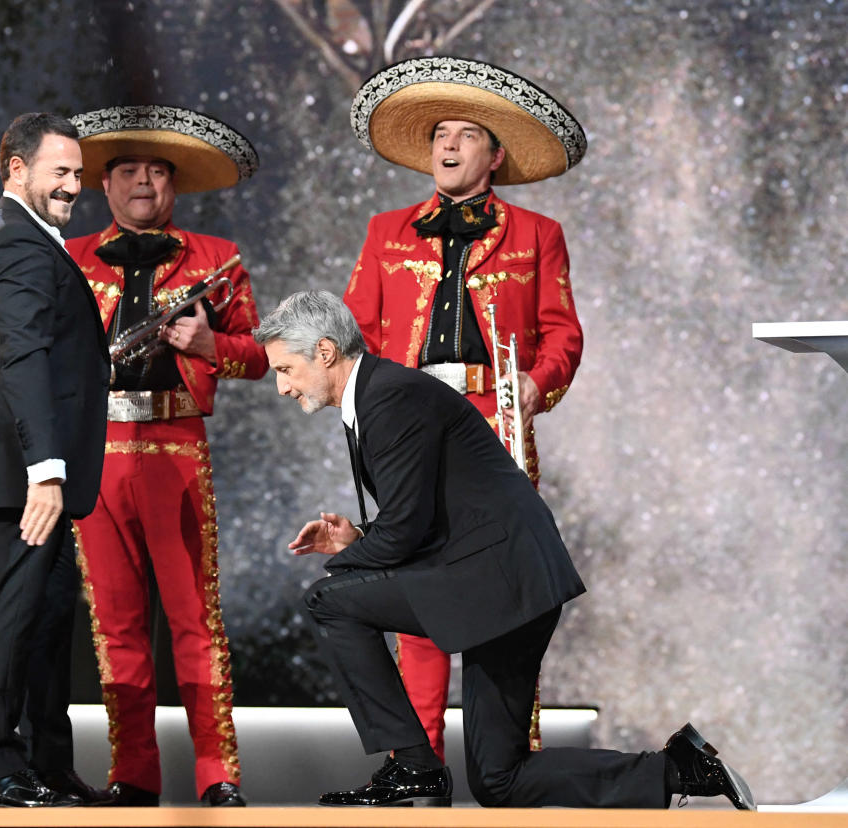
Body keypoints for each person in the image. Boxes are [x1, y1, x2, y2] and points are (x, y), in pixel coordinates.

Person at [252, 290, 754, 810]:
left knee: (327, 600)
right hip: (511, 581)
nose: (283, 387)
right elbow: (423, 514)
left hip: (498, 577)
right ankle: (678, 770)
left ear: (327, 351)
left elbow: (404, 530)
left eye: (286, 369)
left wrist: (350, 557)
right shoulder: (379, 396)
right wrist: (357, 539)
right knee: (500, 781)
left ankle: (412, 767)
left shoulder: (389, 396)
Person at [342, 56, 588, 761]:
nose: (446, 146)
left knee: (502, 594)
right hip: (411, 426)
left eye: (464, 135)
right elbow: (356, 333)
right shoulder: (386, 230)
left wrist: (540, 384)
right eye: (439, 134)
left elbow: (563, 332)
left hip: (494, 423)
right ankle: (414, 766)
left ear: (495, 154)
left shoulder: (538, 234)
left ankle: (510, 760)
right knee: (418, 592)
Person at [63, 105, 268, 807]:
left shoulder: (219, 257)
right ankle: (134, 775)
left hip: (178, 446)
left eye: (156, 169)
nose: (143, 181)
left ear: (174, 182)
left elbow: (261, 356)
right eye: (127, 170)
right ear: (105, 184)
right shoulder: (72, 258)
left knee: (193, 620)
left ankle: (218, 775)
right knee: (116, 625)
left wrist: (208, 346)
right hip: (98, 455)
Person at [0, 112, 111, 808]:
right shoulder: (16, 241)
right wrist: (46, 467)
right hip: (22, 465)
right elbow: (22, 356)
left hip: (27, 460)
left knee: (47, 612)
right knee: (14, 611)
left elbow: (46, 349)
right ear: (16, 168)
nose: (74, 186)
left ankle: (45, 762)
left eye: (78, 173)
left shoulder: (20, 237)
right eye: (59, 172)